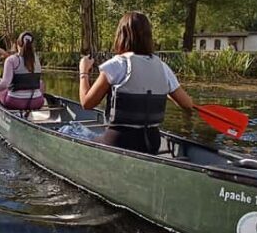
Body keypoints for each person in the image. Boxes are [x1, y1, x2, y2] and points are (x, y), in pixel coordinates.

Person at [78, 11, 194, 153]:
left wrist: (83, 72)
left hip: (119, 141)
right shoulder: (163, 67)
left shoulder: (117, 64)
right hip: (152, 143)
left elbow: (86, 103)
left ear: (121, 35)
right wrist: (163, 90)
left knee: (71, 130)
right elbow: (187, 104)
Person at [0, 31, 45, 111]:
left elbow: (5, 83)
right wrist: (5, 54)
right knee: (40, 82)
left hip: (15, 102)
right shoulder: (36, 59)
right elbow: (22, 61)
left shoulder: (11, 60)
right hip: (37, 102)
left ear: (17, 44)